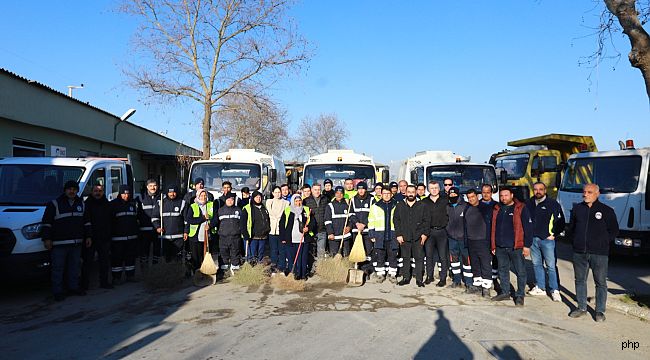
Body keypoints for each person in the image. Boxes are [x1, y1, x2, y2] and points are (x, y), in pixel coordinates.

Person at [565, 184, 618, 322]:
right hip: (579, 252)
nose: (585, 195)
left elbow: (614, 231)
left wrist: (603, 242)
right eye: (584, 192)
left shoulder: (606, 210)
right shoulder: (577, 209)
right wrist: (575, 242)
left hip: (599, 253)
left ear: (597, 194)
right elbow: (572, 228)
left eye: (589, 192)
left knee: (600, 282)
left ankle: (599, 311)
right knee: (580, 280)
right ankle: (581, 307)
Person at [41, 180, 92, 301]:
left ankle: (73, 288)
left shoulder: (82, 204)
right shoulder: (54, 204)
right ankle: (57, 291)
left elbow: (87, 223)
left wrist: (89, 236)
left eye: (74, 189)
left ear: (77, 191)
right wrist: (47, 239)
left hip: (76, 242)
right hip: (59, 244)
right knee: (58, 268)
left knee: (74, 267)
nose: (72, 191)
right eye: (69, 189)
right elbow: (46, 223)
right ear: (65, 190)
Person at [490, 187, 533, 306]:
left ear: (512, 195)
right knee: (503, 270)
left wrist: (527, 245)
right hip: (500, 247)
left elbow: (528, 228)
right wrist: (493, 245)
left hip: (516, 247)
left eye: (506, 195)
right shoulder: (497, 208)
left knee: (520, 271)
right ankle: (505, 292)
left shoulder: (520, 208)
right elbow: (493, 228)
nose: (503, 198)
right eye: (502, 196)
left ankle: (520, 295)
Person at [525, 182, 565, 302]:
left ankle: (555, 290)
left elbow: (561, 221)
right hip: (533, 239)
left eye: (540, 189)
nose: (538, 191)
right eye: (536, 189)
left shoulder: (552, 204)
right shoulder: (528, 203)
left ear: (545, 190)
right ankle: (541, 288)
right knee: (537, 265)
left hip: (547, 240)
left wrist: (554, 234)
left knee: (551, 266)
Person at [394, 185, 429, 287]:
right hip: (404, 237)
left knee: (419, 258)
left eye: (412, 192)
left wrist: (424, 234)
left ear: (416, 193)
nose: (410, 194)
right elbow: (396, 220)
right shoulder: (400, 205)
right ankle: (406, 278)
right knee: (406, 257)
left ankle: (419, 279)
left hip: (418, 237)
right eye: (409, 192)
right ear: (406, 192)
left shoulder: (422, 205)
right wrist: (398, 235)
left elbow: (427, 221)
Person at [82, 183, 112, 290]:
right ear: (91, 192)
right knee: (87, 262)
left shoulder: (107, 204)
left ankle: (104, 283)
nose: (98, 193)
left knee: (104, 262)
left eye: (100, 191)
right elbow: (86, 221)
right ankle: (84, 285)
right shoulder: (87, 204)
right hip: (91, 238)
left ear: (103, 192)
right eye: (95, 191)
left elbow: (111, 220)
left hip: (104, 238)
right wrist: (88, 236)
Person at [464, 189, 493, 297]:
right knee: (475, 264)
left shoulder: (485, 208)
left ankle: (486, 287)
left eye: (473, 196)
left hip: (483, 241)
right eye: (469, 197)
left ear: (477, 196)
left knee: (485, 264)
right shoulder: (467, 208)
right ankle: (477, 285)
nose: (471, 199)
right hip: (471, 241)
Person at [279, 194, 315, 279]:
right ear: (293, 201)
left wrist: (308, 228)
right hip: (290, 239)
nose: (298, 203)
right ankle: (294, 275)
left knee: (302, 258)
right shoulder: (287, 210)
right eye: (296, 201)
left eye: (299, 201)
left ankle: (302, 275)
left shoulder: (306, 210)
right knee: (291, 259)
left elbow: (313, 223)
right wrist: (283, 238)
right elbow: (282, 225)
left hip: (303, 239)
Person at [110, 185, 140, 284]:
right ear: (120, 193)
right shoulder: (113, 204)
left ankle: (130, 276)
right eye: (124, 193)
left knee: (130, 258)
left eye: (128, 193)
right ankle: (116, 278)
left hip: (131, 237)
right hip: (117, 238)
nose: (126, 195)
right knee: (117, 259)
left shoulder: (133, 204)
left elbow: (136, 219)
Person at [368, 186, 399, 284]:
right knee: (380, 255)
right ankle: (380, 274)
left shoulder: (397, 205)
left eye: (388, 194)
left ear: (391, 194)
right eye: (384, 194)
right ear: (381, 194)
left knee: (393, 255)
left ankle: (392, 275)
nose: (386, 196)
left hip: (393, 234)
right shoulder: (375, 206)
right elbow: (371, 221)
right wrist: (372, 234)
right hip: (379, 235)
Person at [421, 181, 449, 286]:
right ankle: (429, 277)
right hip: (429, 232)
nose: (434, 190)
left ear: (439, 188)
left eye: (436, 188)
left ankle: (443, 279)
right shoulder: (424, 202)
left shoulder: (445, 200)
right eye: (432, 188)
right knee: (429, 256)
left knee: (443, 256)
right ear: (428, 189)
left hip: (442, 232)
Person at [184, 188, 218, 274]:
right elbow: (190, 220)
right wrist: (202, 218)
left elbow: (215, 219)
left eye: (205, 195)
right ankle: (197, 272)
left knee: (207, 255)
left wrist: (210, 225)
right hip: (195, 236)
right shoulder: (193, 206)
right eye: (201, 195)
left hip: (208, 235)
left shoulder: (211, 205)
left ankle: (207, 271)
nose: (203, 197)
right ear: (197, 196)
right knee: (196, 256)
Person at [445, 187, 473, 290]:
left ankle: (469, 282)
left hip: (463, 238)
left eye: (454, 195)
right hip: (452, 238)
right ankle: (456, 280)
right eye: (450, 195)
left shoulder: (465, 206)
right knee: (454, 260)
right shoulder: (447, 206)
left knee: (466, 261)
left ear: (458, 195)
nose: (452, 196)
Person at [153, 184, 186, 263]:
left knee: (178, 260)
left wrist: (186, 232)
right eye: (170, 192)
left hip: (178, 238)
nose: (172, 194)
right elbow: (154, 217)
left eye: (174, 192)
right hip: (164, 238)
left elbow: (186, 220)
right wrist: (157, 227)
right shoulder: (161, 203)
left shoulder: (182, 203)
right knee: (166, 260)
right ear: (167, 193)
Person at [349, 182, 375, 275]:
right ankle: (357, 268)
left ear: (366, 189)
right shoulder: (352, 200)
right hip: (356, 230)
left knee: (367, 250)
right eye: (359, 189)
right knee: (357, 250)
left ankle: (367, 270)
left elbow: (373, 214)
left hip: (367, 230)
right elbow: (351, 214)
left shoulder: (371, 199)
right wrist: (357, 223)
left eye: (363, 189)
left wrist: (364, 224)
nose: (361, 191)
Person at [217, 192, 244, 275]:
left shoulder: (238, 210)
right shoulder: (220, 210)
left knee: (235, 253)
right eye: (228, 199)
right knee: (223, 253)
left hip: (235, 237)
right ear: (225, 200)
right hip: (223, 237)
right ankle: (224, 271)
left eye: (232, 199)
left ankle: (235, 270)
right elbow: (217, 222)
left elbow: (242, 223)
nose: (230, 201)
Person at [479, 184, 500, 288]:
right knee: (483, 259)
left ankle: (494, 279)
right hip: (481, 237)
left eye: (488, 192)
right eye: (484, 192)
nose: (486, 194)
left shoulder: (497, 206)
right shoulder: (477, 205)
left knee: (495, 259)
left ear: (491, 193)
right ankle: (484, 278)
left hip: (493, 237)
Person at [242, 191, 271, 264]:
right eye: (256, 197)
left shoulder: (264, 208)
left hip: (263, 236)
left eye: (260, 197)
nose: (258, 199)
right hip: (252, 237)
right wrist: (245, 235)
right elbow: (243, 223)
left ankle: (259, 270)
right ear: (253, 198)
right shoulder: (247, 208)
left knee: (260, 255)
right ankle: (252, 271)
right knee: (252, 256)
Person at [266, 186, 289, 272]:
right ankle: (274, 268)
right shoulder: (269, 202)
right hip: (272, 230)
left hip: (281, 231)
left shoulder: (286, 203)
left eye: (279, 192)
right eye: (275, 192)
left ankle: (282, 268)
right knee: (273, 250)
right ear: (272, 193)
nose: (277, 194)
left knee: (282, 250)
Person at [325, 186, 353, 256]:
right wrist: (330, 233)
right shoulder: (330, 206)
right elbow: (327, 221)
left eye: (341, 193)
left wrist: (349, 227)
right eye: (337, 193)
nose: (339, 195)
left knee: (346, 255)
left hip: (345, 236)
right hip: (334, 236)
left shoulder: (348, 205)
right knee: (334, 256)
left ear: (343, 194)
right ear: (335, 194)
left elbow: (352, 218)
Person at [139, 179, 161, 266]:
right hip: (145, 230)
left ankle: (155, 270)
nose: (153, 188)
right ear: (147, 187)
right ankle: (144, 270)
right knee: (144, 251)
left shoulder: (161, 198)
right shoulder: (141, 198)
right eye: (151, 186)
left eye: (154, 185)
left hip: (158, 230)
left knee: (157, 250)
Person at [303, 183, 328, 259]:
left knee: (321, 252)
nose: (317, 191)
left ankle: (320, 269)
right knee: (311, 251)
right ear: (312, 190)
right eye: (315, 190)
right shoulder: (306, 201)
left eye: (319, 190)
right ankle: (311, 269)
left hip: (322, 229)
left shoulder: (325, 199)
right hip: (311, 231)